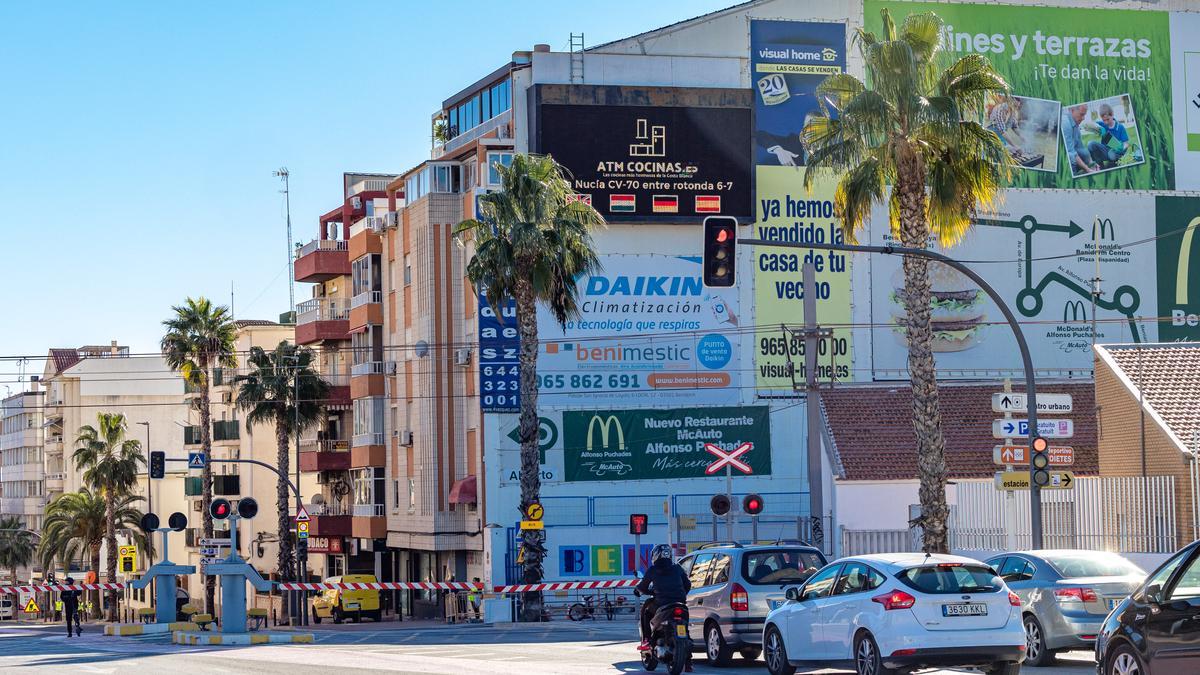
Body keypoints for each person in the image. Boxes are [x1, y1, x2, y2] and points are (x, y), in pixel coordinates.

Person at [635, 544, 692, 671]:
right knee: (685, 628)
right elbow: (688, 584)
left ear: (655, 556)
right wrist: (680, 595)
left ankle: (646, 640)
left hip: (662, 604)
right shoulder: (677, 568)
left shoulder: (653, 569)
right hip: (681, 604)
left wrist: (642, 590)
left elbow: (643, 586)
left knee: (645, 611)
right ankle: (688, 662)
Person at [1085, 103, 1130, 169]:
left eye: (1108, 119)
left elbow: (1126, 143)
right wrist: (1098, 127)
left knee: (1112, 155)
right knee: (1090, 144)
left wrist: (1122, 149)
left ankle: (1116, 162)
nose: (1106, 122)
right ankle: (1100, 167)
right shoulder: (1102, 124)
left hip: (1116, 152)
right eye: (1104, 120)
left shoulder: (1120, 127)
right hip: (1105, 151)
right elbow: (1087, 125)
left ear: (1112, 115)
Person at [1062, 104, 1096, 176]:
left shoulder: (1075, 124)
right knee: (1072, 161)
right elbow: (1071, 153)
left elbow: (1080, 147)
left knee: (1084, 154)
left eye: (1084, 115)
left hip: (1071, 155)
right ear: (1072, 110)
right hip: (1064, 159)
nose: (1083, 118)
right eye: (1081, 114)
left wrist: (1091, 163)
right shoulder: (1065, 123)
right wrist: (1087, 169)